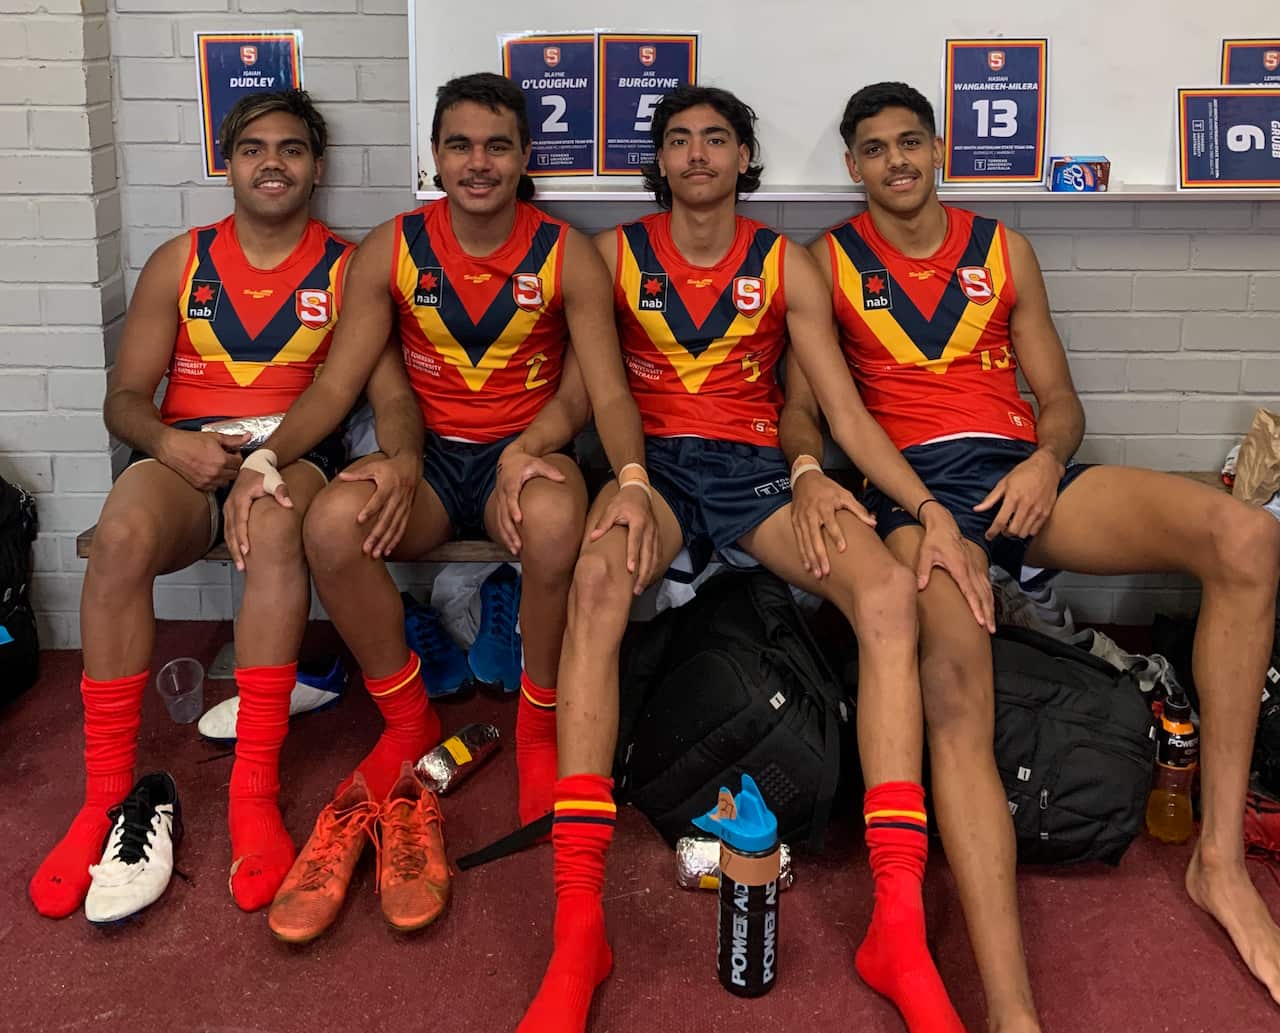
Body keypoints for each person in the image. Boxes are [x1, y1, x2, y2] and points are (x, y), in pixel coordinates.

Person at [516, 84, 996, 1033]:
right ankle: (580, 929)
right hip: (644, 463)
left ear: (745, 160)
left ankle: (896, 922)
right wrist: (526, 451)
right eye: (680, 141)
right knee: (600, 584)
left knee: (890, 593)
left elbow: (841, 409)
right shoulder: (611, 257)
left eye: (718, 140)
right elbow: (581, 394)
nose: (698, 155)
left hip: (748, 469)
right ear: (659, 163)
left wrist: (925, 506)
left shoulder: (785, 265)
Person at [814, 80, 1280, 1029]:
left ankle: (1218, 862)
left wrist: (1046, 455)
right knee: (957, 678)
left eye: (912, 141)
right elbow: (805, 409)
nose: (897, 160)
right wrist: (819, 478)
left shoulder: (1002, 250)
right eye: (874, 148)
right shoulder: (821, 264)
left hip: (1021, 476)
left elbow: (1061, 400)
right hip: (913, 501)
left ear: (938, 149)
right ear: (852, 164)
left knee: (1246, 535)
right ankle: (1015, 1010)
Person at [221, 73, 655, 936]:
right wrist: (268, 456)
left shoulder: (568, 252)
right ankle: (406, 713)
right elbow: (340, 379)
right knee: (333, 522)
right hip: (424, 465)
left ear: (526, 157)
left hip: (518, 460)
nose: (478, 163)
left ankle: (537, 722)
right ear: (435, 157)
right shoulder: (393, 247)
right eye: (459, 145)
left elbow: (607, 390)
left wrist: (633, 476)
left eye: (497, 146)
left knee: (561, 515)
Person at [29, 90, 355, 917]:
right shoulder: (183, 260)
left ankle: (253, 787)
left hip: (293, 457)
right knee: (119, 535)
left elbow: (363, 392)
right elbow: (125, 398)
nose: (272, 162)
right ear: (229, 163)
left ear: (317, 166)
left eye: (291, 149)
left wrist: (270, 459)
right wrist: (170, 441)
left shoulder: (349, 266)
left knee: (278, 528)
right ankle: (104, 794)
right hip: (187, 455)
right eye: (253, 149)